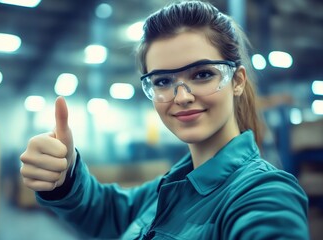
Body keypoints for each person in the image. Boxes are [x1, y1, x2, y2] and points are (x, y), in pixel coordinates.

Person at [20, 1, 309, 239]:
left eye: (202, 74)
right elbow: (107, 212)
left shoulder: (264, 193)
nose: (181, 96)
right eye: (163, 81)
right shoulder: (169, 189)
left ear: (237, 81)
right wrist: (67, 174)